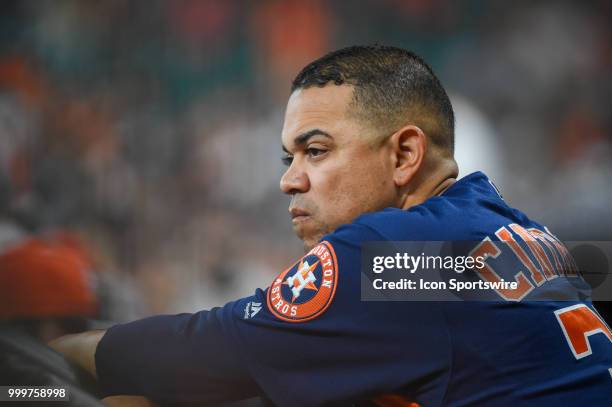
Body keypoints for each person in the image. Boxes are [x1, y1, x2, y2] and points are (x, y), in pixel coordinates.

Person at [50, 45, 612, 406]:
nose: (289, 182)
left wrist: (44, 353)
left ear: (404, 155)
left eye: (315, 151)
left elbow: (193, 355)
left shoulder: (392, 253)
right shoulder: (525, 235)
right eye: (287, 159)